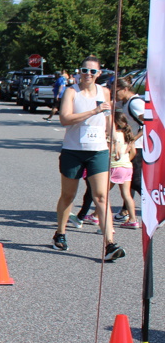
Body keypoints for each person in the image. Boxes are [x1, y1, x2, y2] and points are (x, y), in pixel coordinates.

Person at [52, 57, 125, 261]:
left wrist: (116, 141)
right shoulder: (72, 92)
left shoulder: (105, 92)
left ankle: (110, 244)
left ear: (99, 74)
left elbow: (109, 119)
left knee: (101, 196)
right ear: (79, 72)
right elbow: (65, 119)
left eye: (93, 71)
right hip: (73, 150)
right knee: (68, 195)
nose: (88, 74)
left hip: (98, 150)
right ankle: (60, 233)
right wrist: (94, 111)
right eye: (85, 70)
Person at [115, 77, 144, 221]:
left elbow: (148, 123)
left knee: (136, 181)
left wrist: (132, 140)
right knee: (129, 179)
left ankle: (159, 209)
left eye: (116, 92)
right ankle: (125, 211)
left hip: (139, 146)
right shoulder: (124, 102)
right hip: (132, 145)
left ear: (125, 89)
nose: (114, 95)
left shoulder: (135, 103)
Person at [109, 112, 140, 229]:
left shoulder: (112, 136)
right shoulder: (128, 135)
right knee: (127, 194)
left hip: (115, 166)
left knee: (102, 194)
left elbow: (109, 151)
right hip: (127, 166)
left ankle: (99, 217)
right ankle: (133, 219)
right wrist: (126, 160)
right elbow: (133, 152)